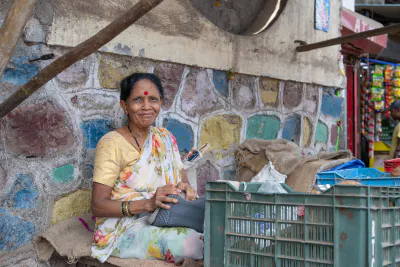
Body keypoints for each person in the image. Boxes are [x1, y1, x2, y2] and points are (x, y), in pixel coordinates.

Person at [90, 73, 203, 263]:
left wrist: (186, 188)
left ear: (160, 103)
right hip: (125, 227)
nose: (146, 106)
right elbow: (98, 206)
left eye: (153, 99)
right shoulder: (111, 143)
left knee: (216, 226)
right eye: (137, 100)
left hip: (167, 217)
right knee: (193, 242)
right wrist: (147, 204)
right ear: (124, 105)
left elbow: (182, 181)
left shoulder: (165, 138)